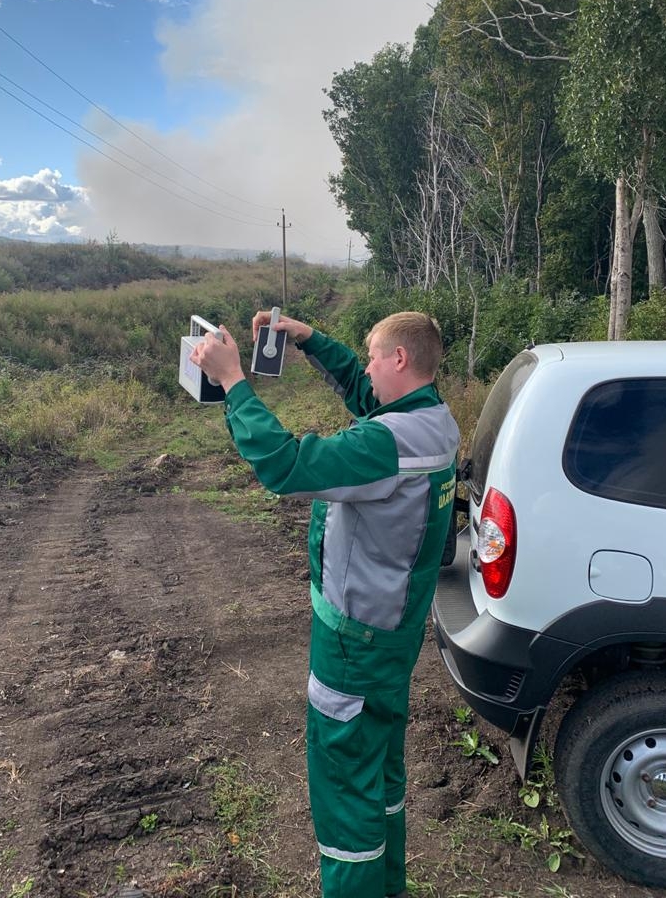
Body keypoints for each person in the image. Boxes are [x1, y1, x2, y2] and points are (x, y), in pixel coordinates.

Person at [190, 310, 460, 898]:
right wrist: (310, 341)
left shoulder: (385, 444)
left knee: (344, 794)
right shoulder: (434, 421)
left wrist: (234, 381)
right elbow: (368, 396)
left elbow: (286, 466)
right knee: (380, 773)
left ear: (399, 360)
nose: (365, 366)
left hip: (353, 645)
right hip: (394, 636)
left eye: (372, 355)